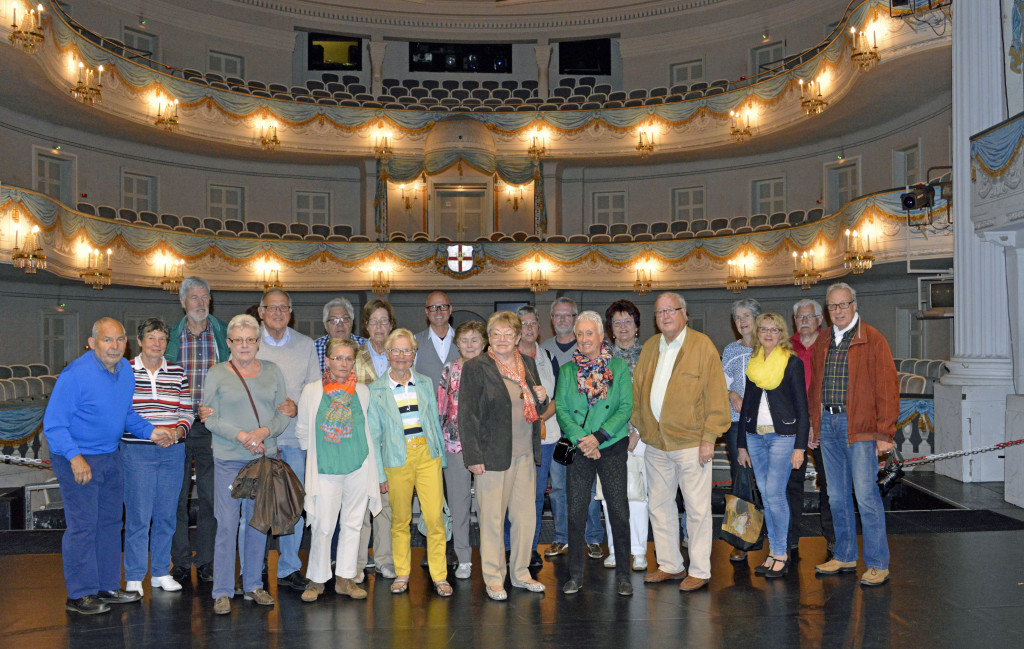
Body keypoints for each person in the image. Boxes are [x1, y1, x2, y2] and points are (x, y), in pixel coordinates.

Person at [44, 318, 174, 614]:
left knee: (111, 524)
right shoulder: (75, 374)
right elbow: (54, 425)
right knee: (84, 526)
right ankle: (80, 594)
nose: (114, 346)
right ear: (92, 343)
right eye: (107, 340)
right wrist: (75, 457)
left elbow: (126, 414)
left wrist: (150, 431)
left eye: (119, 340)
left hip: (110, 455)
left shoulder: (126, 370)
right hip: (76, 458)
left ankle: (106, 586)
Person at [632, 292, 730, 592]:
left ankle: (699, 570)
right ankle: (670, 565)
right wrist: (638, 429)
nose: (665, 316)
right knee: (659, 507)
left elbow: (716, 394)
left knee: (697, 509)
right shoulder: (651, 347)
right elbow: (639, 392)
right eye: (660, 312)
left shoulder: (702, 346)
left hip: (691, 444)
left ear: (684, 313)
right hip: (656, 444)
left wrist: (709, 437)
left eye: (671, 310)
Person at [809, 283, 899, 587]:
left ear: (854, 305)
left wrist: (885, 433)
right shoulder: (822, 341)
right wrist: (814, 423)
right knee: (835, 496)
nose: (838, 311)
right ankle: (845, 554)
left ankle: (877, 563)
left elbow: (887, 388)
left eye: (843, 305)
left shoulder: (873, 339)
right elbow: (815, 388)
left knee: (866, 495)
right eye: (832, 307)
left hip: (859, 427)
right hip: (829, 427)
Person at [203, 314, 291, 614]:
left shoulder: (273, 371)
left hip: (262, 461)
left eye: (250, 340)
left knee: (257, 525)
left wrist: (263, 433)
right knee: (227, 525)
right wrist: (243, 436)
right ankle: (223, 590)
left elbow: (283, 413)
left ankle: (253, 584)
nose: (244, 345)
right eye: (238, 340)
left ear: (258, 342)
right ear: (228, 343)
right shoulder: (216, 373)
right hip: (229, 460)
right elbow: (209, 417)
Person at [459, 311, 549, 601]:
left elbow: (533, 404)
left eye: (507, 334)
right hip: (492, 457)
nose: (501, 339)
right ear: (489, 337)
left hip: (524, 455)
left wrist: (543, 398)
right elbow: (467, 415)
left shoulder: (529, 363)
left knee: (526, 519)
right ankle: (494, 578)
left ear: (518, 337)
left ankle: (521, 574)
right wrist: (473, 456)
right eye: (495, 333)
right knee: (492, 520)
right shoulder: (477, 367)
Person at [295, 338, 382, 602]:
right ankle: (317, 580)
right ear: (328, 360)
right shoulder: (312, 391)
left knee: (353, 524)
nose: (343, 363)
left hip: (358, 466)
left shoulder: (363, 392)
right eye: (338, 358)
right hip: (326, 469)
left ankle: (345, 578)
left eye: (348, 358)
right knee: (323, 526)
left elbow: (368, 431)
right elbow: (303, 431)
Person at [366, 329, 451, 596]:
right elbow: (374, 436)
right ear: (388, 353)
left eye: (407, 351)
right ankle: (402, 572)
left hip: (427, 456)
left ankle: (440, 575)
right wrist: (380, 474)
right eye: (396, 350)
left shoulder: (425, 382)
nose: (402, 356)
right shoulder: (375, 390)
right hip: (395, 458)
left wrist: (441, 458)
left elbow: (435, 423)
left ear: (414, 354)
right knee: (400, 520)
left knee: (435, 516)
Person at [556, 311, 634, 596]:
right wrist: (582, 439)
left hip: (610, 446)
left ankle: (624, 574)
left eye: (590, 333)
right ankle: (575, 575)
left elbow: (625, 407)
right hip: (579, 448)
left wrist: (598, 438)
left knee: (618, 510)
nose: (585, 339)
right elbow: (563, 411)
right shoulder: (566, 371)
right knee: (575, 512)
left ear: (602, 336)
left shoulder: (619, 368)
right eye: (580, 334)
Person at [122, 318, 194, 596]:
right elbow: (120, 411)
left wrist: (176, 433)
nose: (157, 343)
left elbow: (188, 410)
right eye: (151, 338)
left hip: (172, 450)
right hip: (138, 450)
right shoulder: (124, 370)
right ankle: (134, 575)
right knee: (139, 516)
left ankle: (161, 571)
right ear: (139, 341)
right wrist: (151, 432)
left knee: (166, 515)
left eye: (162, 339)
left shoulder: (177, 372)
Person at [165, 276, 230, 584]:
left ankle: (205, 561)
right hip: (177, 426)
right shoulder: (170, 337)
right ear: (182, 302)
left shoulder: (223, 333)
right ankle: (178, 562)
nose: (201, 303)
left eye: (205, 297)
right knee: (175, 498)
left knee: (211, 498)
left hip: (211, 427)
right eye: (194, 298)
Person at [255, 289, 319, 593]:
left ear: (290, 312)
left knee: (293, 505)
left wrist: (298, 406)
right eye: (272, 308)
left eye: (284, 308)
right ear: (261, 311)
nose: (278, 313)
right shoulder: (248, 341)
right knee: (255, 509)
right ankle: (253, 571)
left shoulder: (305, 345)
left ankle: (289, 567)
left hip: (293, 438)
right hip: (257, 441)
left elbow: (313, 388)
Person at [736, 313, 809, 578]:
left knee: (776, 494)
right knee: (766, 496)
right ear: (757, 333)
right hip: (755, 436)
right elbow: (746, 406)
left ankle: (781, 552)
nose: (768, 333)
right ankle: (773, 550)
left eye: (774, 329)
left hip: (783, 437)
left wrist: (800, 447)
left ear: (782, 333)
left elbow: (802, 406)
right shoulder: (753, 363)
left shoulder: (791, 362)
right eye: (764, 329)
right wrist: (741, 444)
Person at [540, 297, 603, 560]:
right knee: (558, 490)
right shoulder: (543, 351)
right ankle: (561, 537)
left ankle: (593, 538)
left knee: (588, 488)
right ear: (552, 320)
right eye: (558, 316)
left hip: (587, 435)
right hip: (556, 433)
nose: (563, 320)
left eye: (568, 315)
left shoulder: (592, 351)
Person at [437, 320, 488, 580]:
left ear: (484, 343)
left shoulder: (493, 369)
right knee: (459, 505)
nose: (469, 345)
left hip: (486, 447)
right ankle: (464, 558)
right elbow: (440, 409)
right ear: (457, 343)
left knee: (487, 507)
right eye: (464, 340)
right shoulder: (449, 371)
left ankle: (490, 561)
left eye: (475, 340)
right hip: (454, 446)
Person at [602, 299, 648, 572]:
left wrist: (637, 432)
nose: (622, 327)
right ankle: (615, 549)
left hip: (642, 437)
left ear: (636, 325)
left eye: (627, 321)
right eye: (617, 323)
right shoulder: (602, 358)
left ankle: (639, 551)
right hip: (610, 436)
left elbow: (653, 398)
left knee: (637, 495)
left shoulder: (649, 355)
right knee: (611, 496)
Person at [353, 298, 396, 579]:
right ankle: (355, 564)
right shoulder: (353, 356)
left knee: (387, 504)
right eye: (373, 321)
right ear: (366, 326)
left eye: (384, 321)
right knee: (359, 506)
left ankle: (384, 559)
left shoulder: (401, 355)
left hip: (392, 442)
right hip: (361, 439)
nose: (379, 326)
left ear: (392, 325)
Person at [515, 305, 559, 570]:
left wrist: (539, 419)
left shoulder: (548, 357)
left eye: (533, 324)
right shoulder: (505, 358)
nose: (529, 328)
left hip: (544, 437)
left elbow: (557, 398)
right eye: (523, 324)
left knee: (535, 498)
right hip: (514, 439)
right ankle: (510, 548)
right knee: (512, 497)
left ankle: (530, 548)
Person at [790, 298, 835, 559]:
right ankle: (790, 540)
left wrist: (815, 423)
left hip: (825, 424)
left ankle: (832, 539)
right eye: (799, 317)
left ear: (820, 319)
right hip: (792, 425)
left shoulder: (831, 344)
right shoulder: (786, 346)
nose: (804, 321)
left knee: (830, 484)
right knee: (791, 485)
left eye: (809, 317)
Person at [721, 298, 762, 563]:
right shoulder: (729, 351)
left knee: (771, 484)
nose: (742, 321)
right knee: (741, 481)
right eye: (737, 318)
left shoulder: (770, 347)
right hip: (737, 424)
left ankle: (778, 539)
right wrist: (731, 392)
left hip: (768, 424)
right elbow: (719, 386)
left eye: (746, 316)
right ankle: (741, 542)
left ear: (757, 318)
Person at [314, 297, 368, 373]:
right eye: (334, 320)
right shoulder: (314, 348)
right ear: (326, 325)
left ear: (352, 322)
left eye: (345, 319)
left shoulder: (366, 346)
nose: (340, 324)